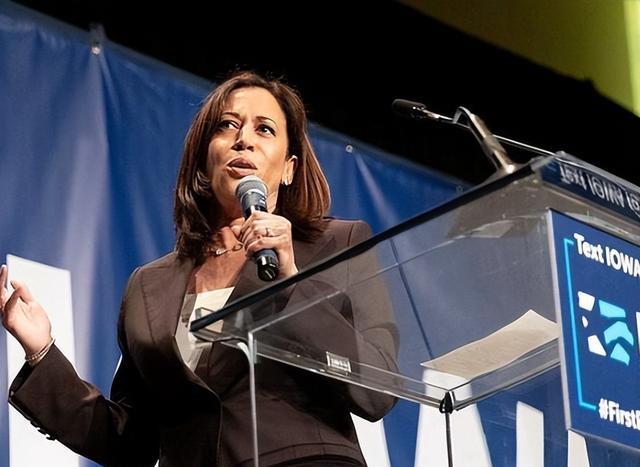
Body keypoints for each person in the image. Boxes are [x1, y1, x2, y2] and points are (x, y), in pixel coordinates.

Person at [1, 71, 398, 467]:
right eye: (227, 125)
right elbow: (132, 443)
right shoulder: (149, 284)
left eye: (264, 129)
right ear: (205, 159)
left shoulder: (336, 246)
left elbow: (376, 389)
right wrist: (41, 352)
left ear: (289, 167)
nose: (244, 139)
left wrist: (291, 282)